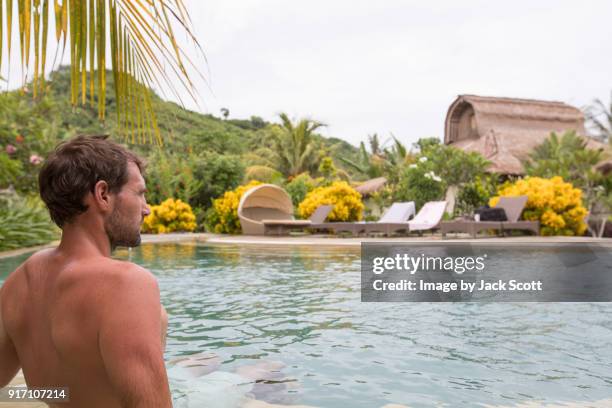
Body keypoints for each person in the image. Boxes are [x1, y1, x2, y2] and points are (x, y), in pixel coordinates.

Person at [0, 135, 171, 407]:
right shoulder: (126, 285)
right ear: (103, 195)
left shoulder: (19, 282)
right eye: (140, 193)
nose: (146, 209)